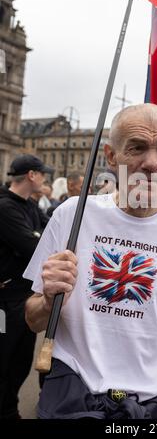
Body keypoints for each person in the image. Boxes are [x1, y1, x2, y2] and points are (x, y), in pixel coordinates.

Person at [24, 104, 157, 420]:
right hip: (72, 398)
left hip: (152, 407)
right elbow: (33, 319)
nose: (152, 163)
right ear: (111, 156)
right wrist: (48, 299)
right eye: (137, 148)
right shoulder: (72, 214)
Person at [0, 154, 53, 420]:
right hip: (4, 301)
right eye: (42, 173)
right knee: (3, 359)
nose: (45, 178)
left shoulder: (31, 207)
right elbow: (33, 247)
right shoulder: (5, 207)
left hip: (25, 298)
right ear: (31, 175)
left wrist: (39, 238)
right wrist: (38, 239)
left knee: (20, 364)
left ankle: (10, 410)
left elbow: (51, 233)